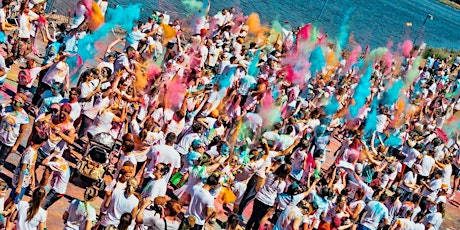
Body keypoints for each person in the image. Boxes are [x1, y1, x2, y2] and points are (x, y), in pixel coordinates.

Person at [246, 164, 291, 230]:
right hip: (268, 201)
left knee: (253, 216)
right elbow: (280, 192)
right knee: (259, 218)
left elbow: (265, 178)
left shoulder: (271, 175)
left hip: (260, 196)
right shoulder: (282, 183)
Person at [0, 93, 29, 171]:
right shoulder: (6, 109)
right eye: (14, 101)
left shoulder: (24, 116)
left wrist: (16, 146)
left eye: (17, 102)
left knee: (1, 160)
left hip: (9, 141)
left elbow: (22, 133)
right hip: (0, 136)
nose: (14, 103)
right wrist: (7, 103)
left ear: (22, 104)